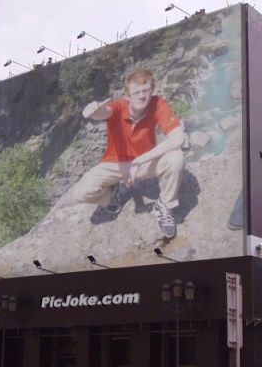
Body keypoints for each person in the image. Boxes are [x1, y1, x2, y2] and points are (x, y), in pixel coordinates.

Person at [72, 68, 185, 239]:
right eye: (136, 92)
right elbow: (105, 112)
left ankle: (165, 205)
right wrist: (93, 112)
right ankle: (111, 194)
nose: (142, 96)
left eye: (146, 90)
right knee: (81, 192)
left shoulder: (158, 104)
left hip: (143, 163)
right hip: (114, 164)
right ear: (127, 96)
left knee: (176, 158)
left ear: (152, 91)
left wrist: (138, 161)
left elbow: (178, 138)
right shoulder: (119, 106)